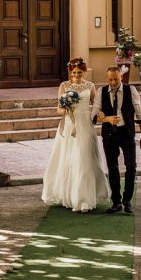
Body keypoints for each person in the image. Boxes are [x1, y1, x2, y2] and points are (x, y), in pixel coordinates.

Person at [41, 57, 110, 213]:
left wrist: (100, 114)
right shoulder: (64, 86)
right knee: (68, 157)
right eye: (74, 73)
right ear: (70, 72)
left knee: (84, 157)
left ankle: (84, 199)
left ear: (84, 72)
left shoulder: (90, 86)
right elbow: (58, 109)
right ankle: (69, 196)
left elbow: (96, 105)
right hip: (69, 125)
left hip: (85, 124)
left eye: (80, 72)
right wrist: (66, 107)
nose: (77, 75)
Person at [91, 65, 141, 214]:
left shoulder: (131, 90)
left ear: (121, 77)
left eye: (116, 79)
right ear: (107, 78)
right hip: (109, 135)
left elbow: (139, 114)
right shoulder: (101, 92)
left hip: (126, 133)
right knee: (113, 168)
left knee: (131, 166)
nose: (113, 82)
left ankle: (127, 200)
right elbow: (93, 117)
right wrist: (107, 119)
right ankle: (116, 202)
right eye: (110, 79)